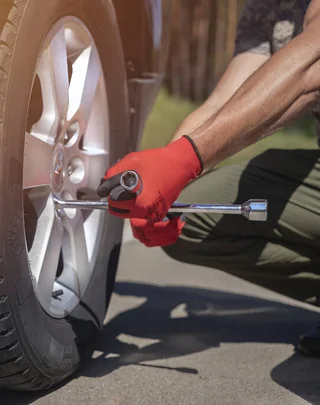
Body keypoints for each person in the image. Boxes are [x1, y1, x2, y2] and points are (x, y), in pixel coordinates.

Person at [97, 0, 320, 357]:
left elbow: (313, 64)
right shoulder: (267, 7)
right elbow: (224, 105)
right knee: (190, 219)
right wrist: (163, 181)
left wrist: (182, 160)